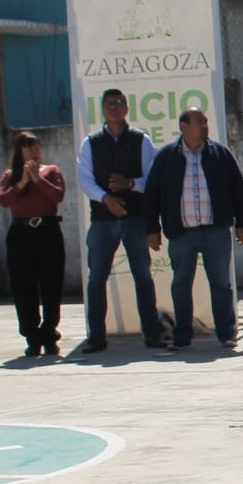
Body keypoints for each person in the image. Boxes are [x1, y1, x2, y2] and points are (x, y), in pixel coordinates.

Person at [145, 109, 243, 351]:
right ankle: (182, 337)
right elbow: (151, 194)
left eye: (205, 121)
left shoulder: (220, 154)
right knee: (181, 285)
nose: (205, 125)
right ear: (184, 127)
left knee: (221, 284)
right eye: (199, 122)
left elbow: (238, 188)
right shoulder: (166, 157)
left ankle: (227, 334)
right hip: (182, 234)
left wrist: (242, 223)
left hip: (216, 231)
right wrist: (152, 229)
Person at [77, 87, 165, 353]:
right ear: (102, 109)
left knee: (142, 276)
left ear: (127, 108)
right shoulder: (90, 142)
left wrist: (129, 184)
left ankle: (151, 332)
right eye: (108, 104)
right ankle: (96, 336)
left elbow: (152, 178)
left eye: (118, 103)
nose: (113, 107)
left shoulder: (141, 140)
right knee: (97, 279)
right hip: (103, 220)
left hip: (135, 219)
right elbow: (85, 179)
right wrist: (106, 198)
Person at [0, 132, 67, 357]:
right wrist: (23, 182)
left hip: (48, 232)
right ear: (20, 152)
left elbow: (58, 196)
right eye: (29, 148)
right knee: (23, 286)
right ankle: (32, 336)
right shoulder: (10, 175)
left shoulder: (51, 171)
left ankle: (49, 333)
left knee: (51, 284)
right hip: (21, 234)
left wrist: (38, 180)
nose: (34, 151)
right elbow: (4, 200)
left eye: (36, 146)